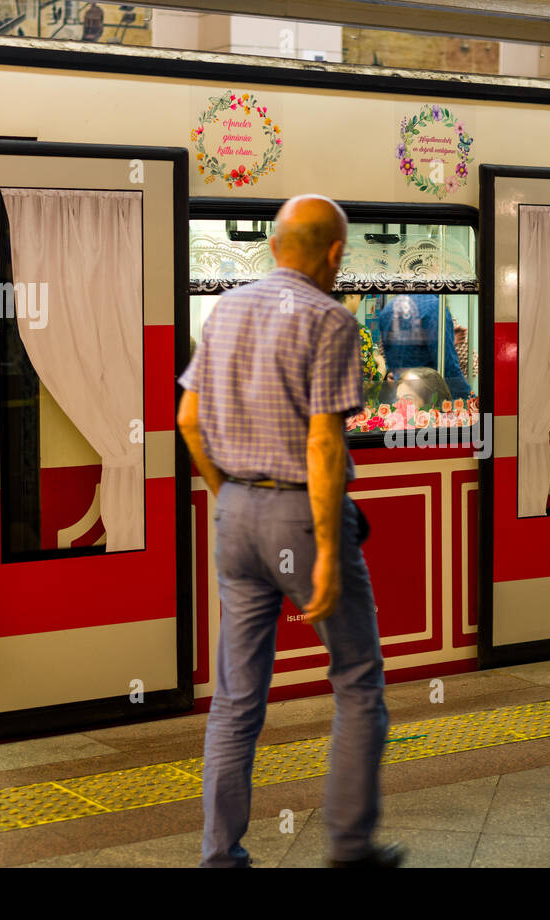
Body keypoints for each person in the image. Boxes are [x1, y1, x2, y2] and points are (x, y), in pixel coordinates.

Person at [177, 195, 403, 869]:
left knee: (237, 695)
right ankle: (351, 846)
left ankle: (220, 854)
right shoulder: (328, 319)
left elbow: (188, 422)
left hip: (235, 513)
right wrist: (330, 552)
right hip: (302, 516)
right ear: (334, 253)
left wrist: (232, 497)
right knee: (358, 678)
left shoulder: (224, 310)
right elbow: (324, 444)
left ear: (275, 247)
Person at [376, 293, 471, 400]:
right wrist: (471, 401)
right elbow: (449, 368)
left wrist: (447, 339)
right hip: (425, 396)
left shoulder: (388, 310)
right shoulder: (435, 307)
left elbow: (396, 355)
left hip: (398, 395)